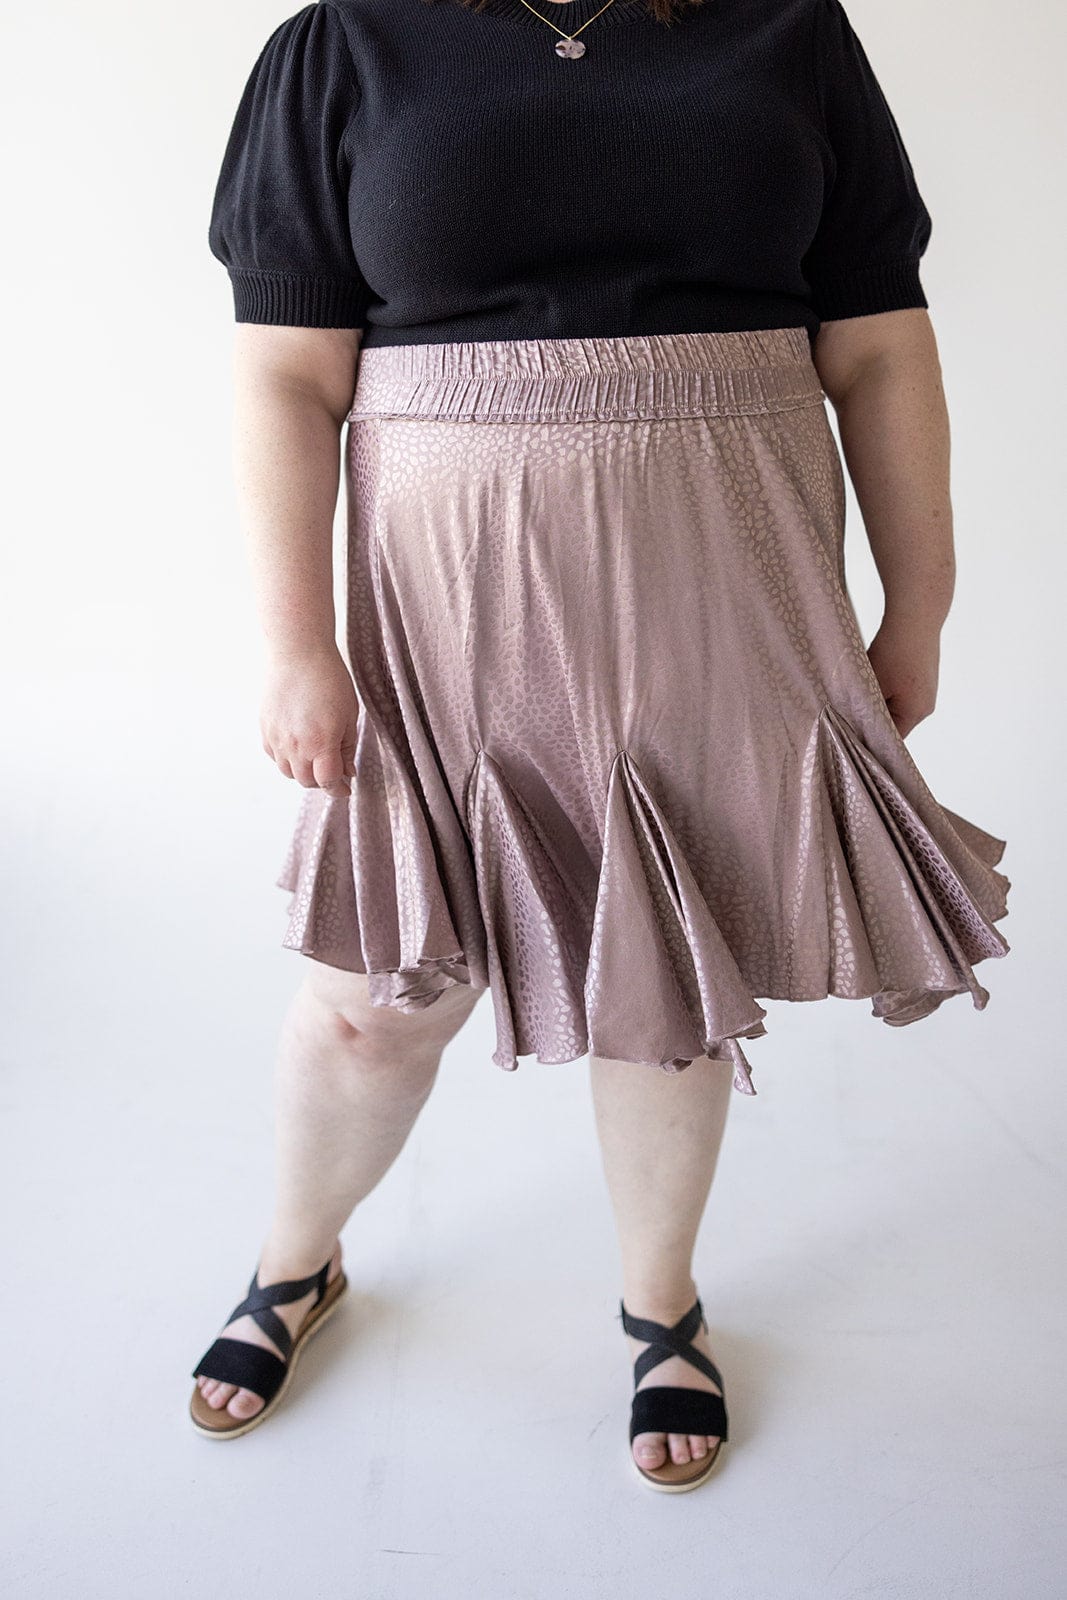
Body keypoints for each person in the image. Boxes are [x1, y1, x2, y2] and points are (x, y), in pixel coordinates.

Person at [189, 0, 1012, 1492]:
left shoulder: (791, 31)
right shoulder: (345, 43)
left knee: (670, 974)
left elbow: (881, 345)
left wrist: (922, 605)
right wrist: (298, 646)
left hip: (727, 570)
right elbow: (288, 374)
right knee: (375, 993)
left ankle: (662, 1303)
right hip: (447, 593)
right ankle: (297, 1263)